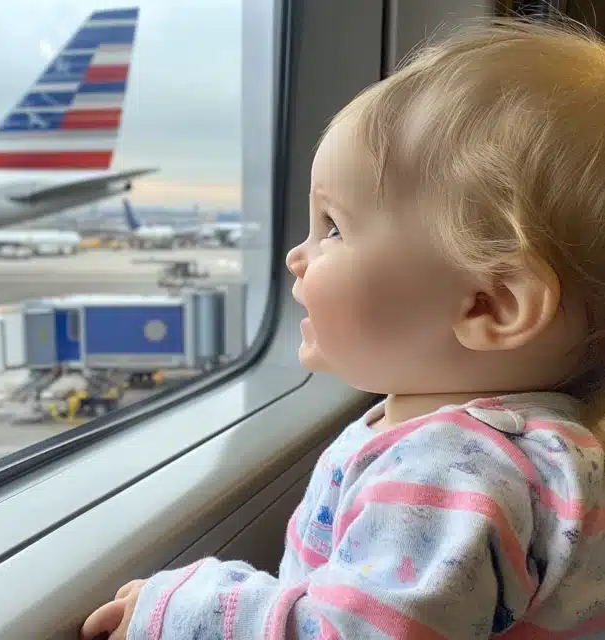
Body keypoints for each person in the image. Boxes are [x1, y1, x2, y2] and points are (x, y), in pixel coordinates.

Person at [80, 15, 605, 639]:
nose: (296, 257)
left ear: (490, 307)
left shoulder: (450, 471)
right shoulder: (516, 444)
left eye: (333, 227)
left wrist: (186, 609)